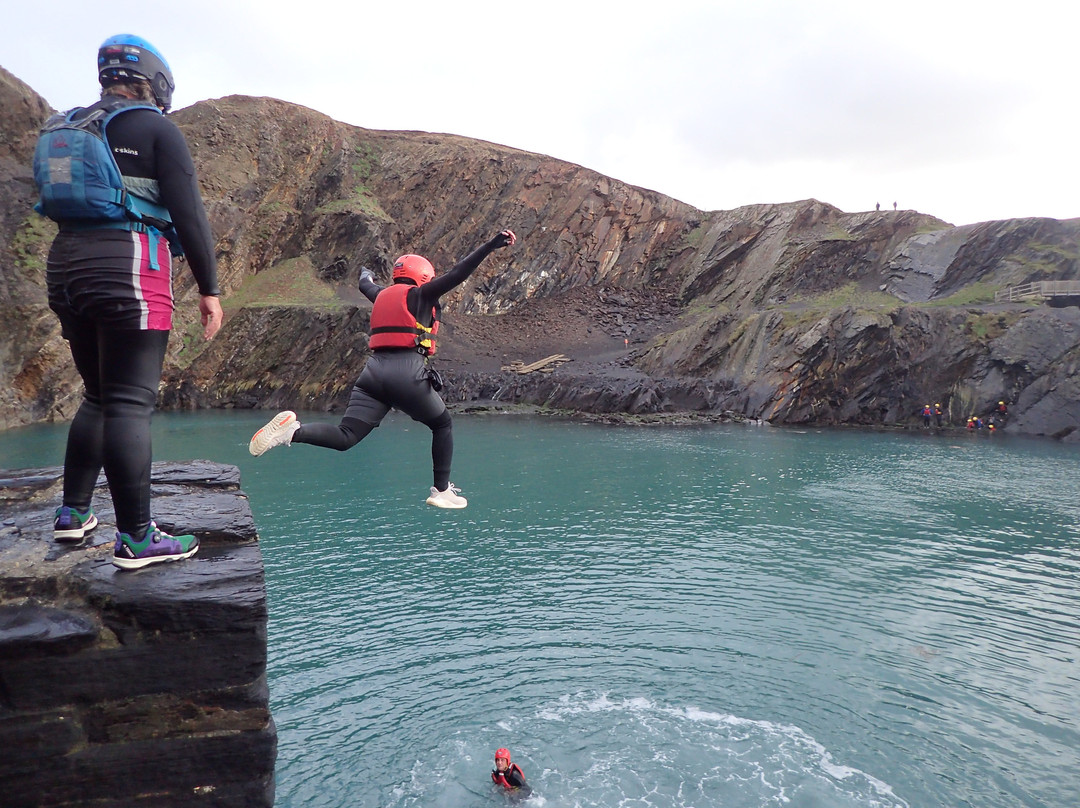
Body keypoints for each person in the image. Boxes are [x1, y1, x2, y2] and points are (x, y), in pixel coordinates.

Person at [36, 34, 223, 568]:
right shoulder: (157, 128)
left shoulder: (68, 124)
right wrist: (209, 290)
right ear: (157, 80)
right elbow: (190, 215)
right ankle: (137, 538)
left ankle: (73, 515)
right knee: (127, 401)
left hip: (65, 264)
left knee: (98, 395)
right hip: (127, 264)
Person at [249, 229, 517, 508]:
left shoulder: (381, 295)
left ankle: (292, 431)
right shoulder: (421, 295)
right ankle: (441, 490)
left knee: (346, 436)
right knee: (442, 424)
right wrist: (490, 245)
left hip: (372, 375)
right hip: (407, 373)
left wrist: (365, 274)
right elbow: (459, 272)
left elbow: (366, 284)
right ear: (424, 276)